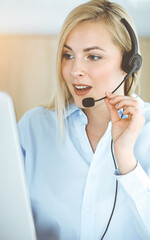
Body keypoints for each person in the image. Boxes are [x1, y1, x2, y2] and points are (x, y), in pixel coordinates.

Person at [18, 0, 150, 239]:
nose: (75, 69)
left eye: (93, 57)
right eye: (68, 55)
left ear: (129, 64)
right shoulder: (34, 127)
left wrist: (127, 162)